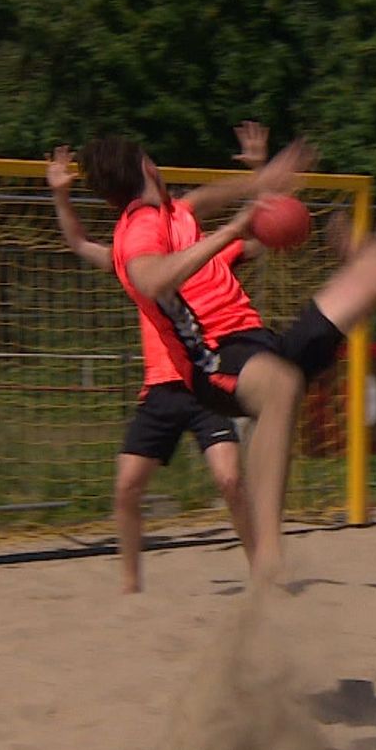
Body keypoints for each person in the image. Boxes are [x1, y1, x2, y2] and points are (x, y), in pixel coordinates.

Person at [75, 135, 376, 584]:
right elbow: (154, 279)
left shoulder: (178, 212)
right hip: (210, 364)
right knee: (279, 387)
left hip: (257, 346)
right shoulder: (137, 230)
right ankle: (268, 559)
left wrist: (265, 176)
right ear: (148, 168)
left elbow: (223, 192)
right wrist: (235, 230)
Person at [46, 123, 273, 593]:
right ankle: (131, 588)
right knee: (127, 487)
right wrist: (62, 197)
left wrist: (261, 181)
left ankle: (263, 575)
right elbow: (79, 245)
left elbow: (261, 235)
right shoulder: (137, 249)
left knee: (231, 481)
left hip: (205, 377)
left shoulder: (198, 239)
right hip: (163, 385)